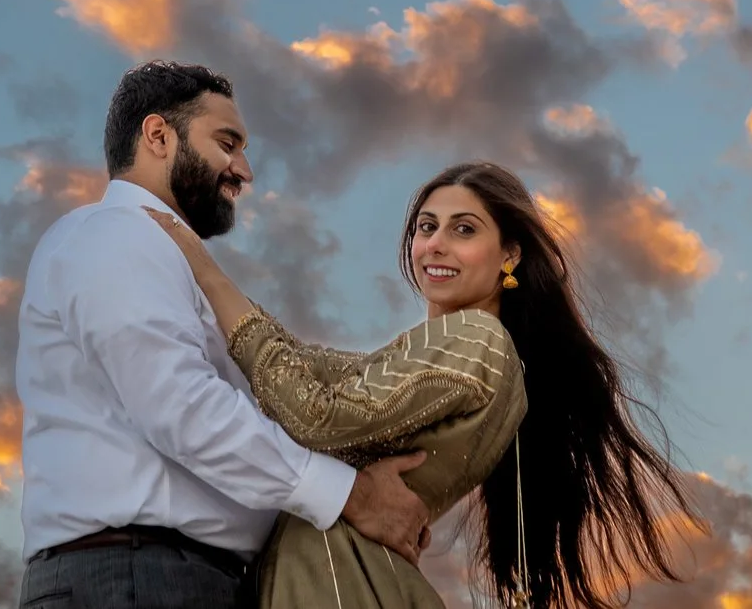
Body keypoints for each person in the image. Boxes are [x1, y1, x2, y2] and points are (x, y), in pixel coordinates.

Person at [142, 160, 696, 609]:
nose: (435, 244)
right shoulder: (435, 354)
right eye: (427, 227)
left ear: (509, 254)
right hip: (337, 572)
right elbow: (306, 366)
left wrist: (206, 271)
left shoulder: (478, 340)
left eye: (464, 229)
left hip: (339, 579)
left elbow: (316, 414)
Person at [17, 62, 435, 609]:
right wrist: (352, 497)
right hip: (135, 579)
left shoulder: (162, 255)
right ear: (158, 136)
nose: (244, 170)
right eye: (227, 143)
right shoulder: (114, 233)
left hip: (167, 578)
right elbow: (181, 406)